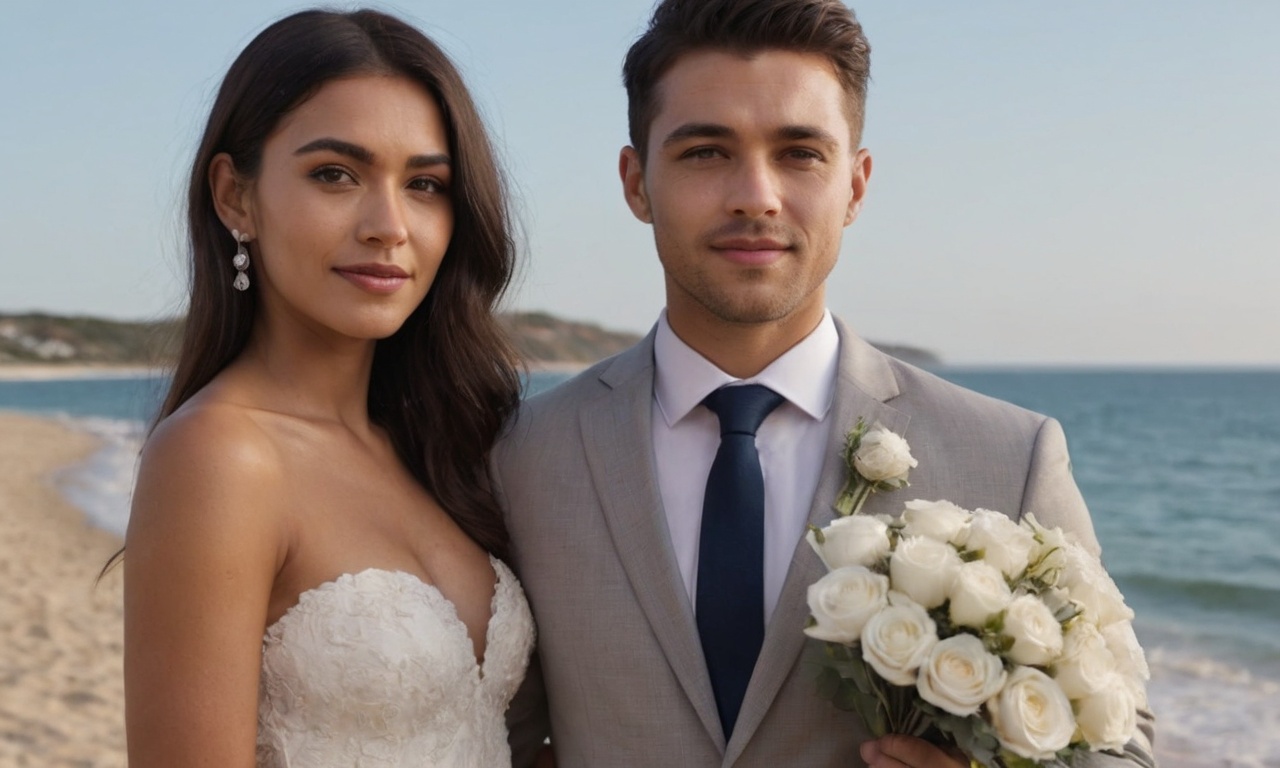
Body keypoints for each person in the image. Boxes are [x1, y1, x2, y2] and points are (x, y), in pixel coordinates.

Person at [492, 1, 1156, 766]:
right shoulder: (522, 457)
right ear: (637, 182)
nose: (757, 196)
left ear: (856, 184)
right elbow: (500, 740)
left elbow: (1119, 744)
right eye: (706, 152)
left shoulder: (1010, 459)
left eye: (800, 153)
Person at [119, 9, 535, 767]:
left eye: (425, 184)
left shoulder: (439, 445)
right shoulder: (219, 457)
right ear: (235, 197)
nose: (388, 224)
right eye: (334, 175)